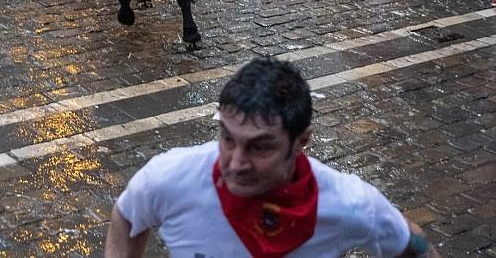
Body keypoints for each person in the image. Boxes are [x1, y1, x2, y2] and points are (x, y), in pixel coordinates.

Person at [104, 56, 441, 257]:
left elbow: (411, 243)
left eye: (260, 146)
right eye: (227, 138)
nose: (235, 164)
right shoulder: (169, 178)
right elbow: (126, 217)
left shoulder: (349, 203)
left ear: (301, 141)